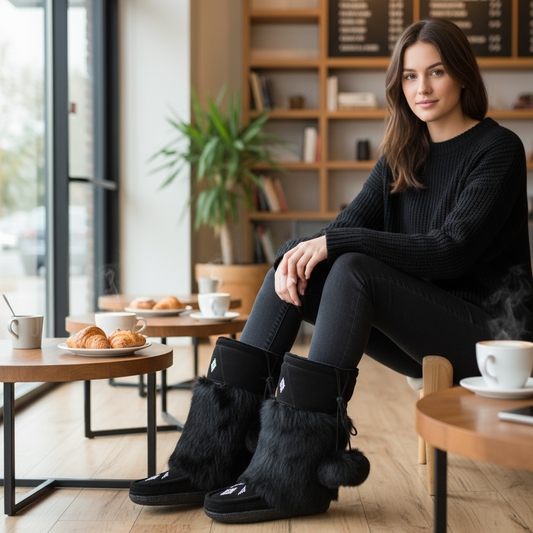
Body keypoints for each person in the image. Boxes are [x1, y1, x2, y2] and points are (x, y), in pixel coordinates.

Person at [129, 19, 533, 523]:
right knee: (304, 261)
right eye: (409, 76)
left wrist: (331, 242)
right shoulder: (402, 153)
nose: (421, 88)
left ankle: (289, 475)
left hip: (487, 336)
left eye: (436, 73)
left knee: (353, 266)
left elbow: (450, 251)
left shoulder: (498, 150)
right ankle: (209, 456)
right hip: (419, 330)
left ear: (463, 77)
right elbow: (343, 230)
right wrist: (300, 253)